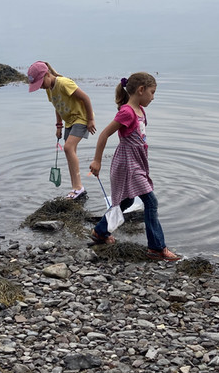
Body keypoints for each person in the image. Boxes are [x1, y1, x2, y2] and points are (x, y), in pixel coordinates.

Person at [88, 73, 180, 261]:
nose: (153, 97)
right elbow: (104, 134)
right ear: (141, 90)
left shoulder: (139, 110)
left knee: (127, 201)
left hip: (137, 161)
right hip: (127, 163)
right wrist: (97, 160)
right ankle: (157, 248)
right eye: (152, 92)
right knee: (151, 202)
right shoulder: (127, 112)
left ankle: (100, 232)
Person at [28, 61, 96, 199]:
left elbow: (86, 98)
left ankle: (78, 188)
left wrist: (90, 120)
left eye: (40, 83)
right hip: (69, 121)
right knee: (70, 152)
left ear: (47, 75)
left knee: (68, 148)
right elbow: (57, 106)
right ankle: (76, 187)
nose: (40, 87)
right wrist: (58, 125)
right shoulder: (49, 89)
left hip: (81, 118)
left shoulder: (64, 83)